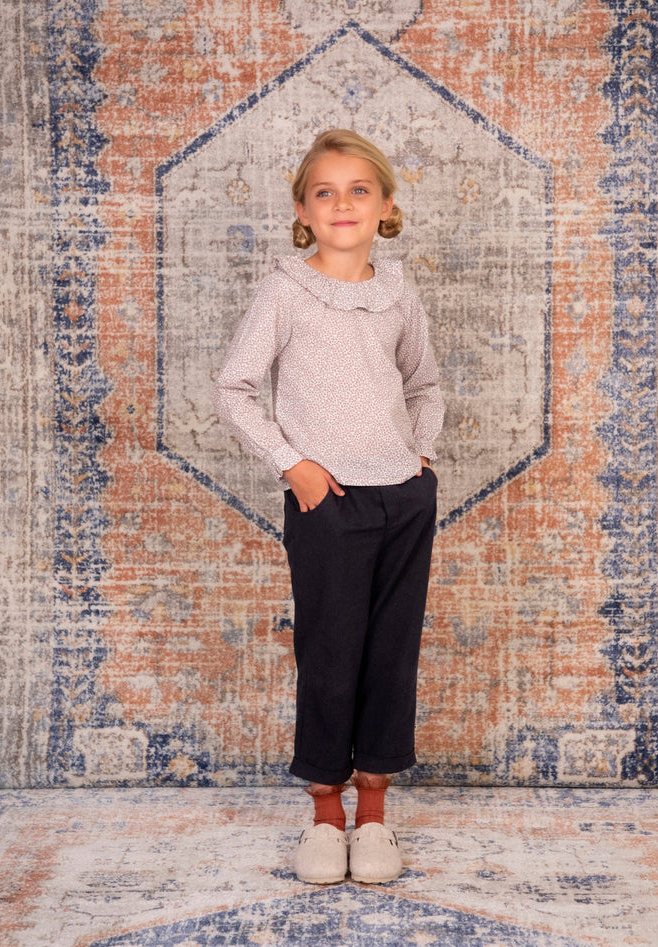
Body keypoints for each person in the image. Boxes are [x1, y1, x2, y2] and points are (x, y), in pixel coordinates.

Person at [213, 129, 444, 885]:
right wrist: (294, 465)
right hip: (327, 502)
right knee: (330, 654)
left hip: (403, 498)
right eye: (325, 192)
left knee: (391, 654)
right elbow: (233, 388)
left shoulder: (398, 291)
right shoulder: (286, 290)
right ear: (303, 212)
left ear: (386, 207)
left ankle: (373, 815)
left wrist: (421, 458)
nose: (343, 203)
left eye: (359, 190)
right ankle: (324, 814)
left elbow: (424, 384)